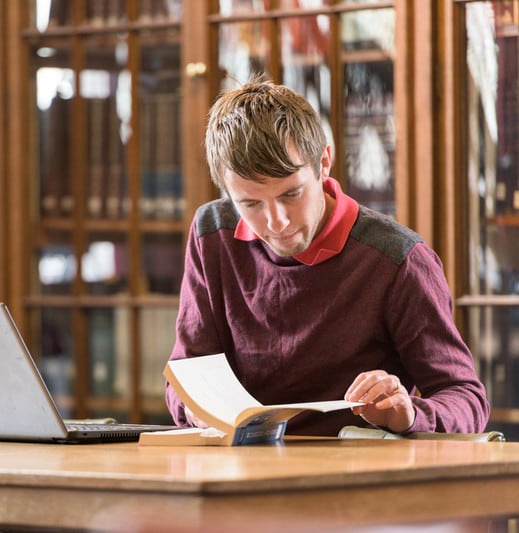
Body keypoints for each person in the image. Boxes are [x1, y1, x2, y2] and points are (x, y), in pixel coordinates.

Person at [165, 77, 489, 436]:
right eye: (251, 204)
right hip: (240, 469)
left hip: (354, 477)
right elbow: (185, 374)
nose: (277, 222)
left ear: (324, 162)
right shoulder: (212, 232)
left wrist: (409, 413)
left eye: (291, 194)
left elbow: (466, 399)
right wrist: (194, 407)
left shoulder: (398, 260)